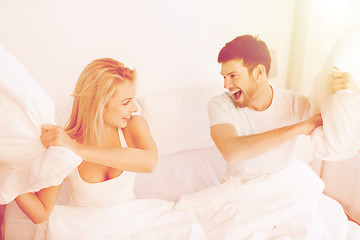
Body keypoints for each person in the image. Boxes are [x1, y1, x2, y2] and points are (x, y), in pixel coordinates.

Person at [175, 35, 360, 239]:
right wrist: (298, 128)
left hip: (288, 186)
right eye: (224, 77)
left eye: (233, 76)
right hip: (245, 192)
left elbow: (339, 131)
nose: (226, 84)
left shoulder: (294, 102)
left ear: (259, 72)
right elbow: (231, 151)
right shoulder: (220, 105)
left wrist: (352, 93)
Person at [14, 58, 205, 239]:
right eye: (126, 102)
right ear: (99, 104)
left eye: (132, 99)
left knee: (188, 231)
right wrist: (8, 177)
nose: (134, 107)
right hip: (86, 226)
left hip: (131, 218)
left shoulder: (133, 125)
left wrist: (77, 148)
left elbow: (149, 162)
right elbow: (41, 213)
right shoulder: (63, 144)